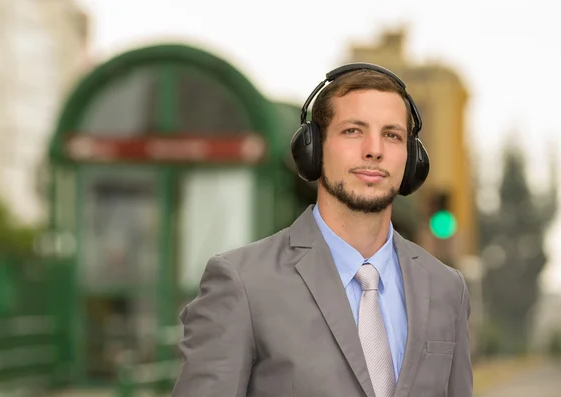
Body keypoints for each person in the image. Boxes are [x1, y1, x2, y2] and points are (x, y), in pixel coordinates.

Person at [171, 63, 472, 397]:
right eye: (353, 131)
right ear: (313, 150)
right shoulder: (241, 284)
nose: (374, 149)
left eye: (392, 135)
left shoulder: (447, 289)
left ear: (412, 159)